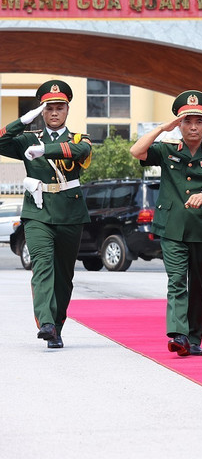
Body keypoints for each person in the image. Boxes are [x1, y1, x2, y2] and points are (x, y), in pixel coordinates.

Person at [131, 90, 202, 357]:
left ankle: (193, 339)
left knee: (198, 285)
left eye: (199, 121)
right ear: (180, 124)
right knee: (176, 280)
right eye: (187, 121)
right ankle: (178, 335)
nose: (193, 127)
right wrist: (163, 128)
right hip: (171, 227)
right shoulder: (167, 149)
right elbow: (136, 151)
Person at [0, 80, 92, 349]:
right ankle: (46, 323)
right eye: (48, 108)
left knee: (64, 275)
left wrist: (45, 150)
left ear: (67, 110)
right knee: (41, 266)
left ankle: (57, 327)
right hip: (37, 212)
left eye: (59, 107)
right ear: (42, 111)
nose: (54, 112)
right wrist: (22, 121)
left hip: (70, 213)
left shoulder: (79, 138)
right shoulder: (29, 138)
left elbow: (82, 152)